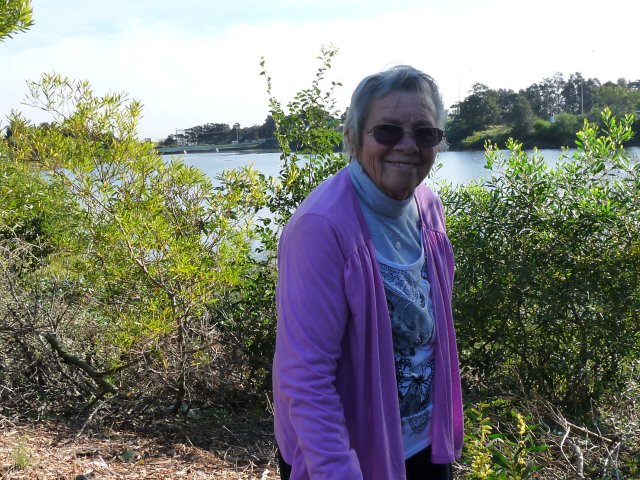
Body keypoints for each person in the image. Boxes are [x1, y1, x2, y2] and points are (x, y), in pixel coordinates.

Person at [272, 65, 464, 480]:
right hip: (348, 456)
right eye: (388, 131)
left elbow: (430, 336)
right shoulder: (321, 227)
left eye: (425, 133)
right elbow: (305, 378)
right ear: (355, 137)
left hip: (424, 447)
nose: (408, 146)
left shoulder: (428, 206)